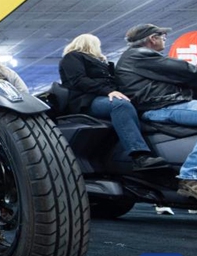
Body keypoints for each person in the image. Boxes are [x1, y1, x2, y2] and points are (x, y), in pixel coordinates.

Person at [115, 24, 197, 200]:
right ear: (152, 38)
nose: (165, 39)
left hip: (167, 104)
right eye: (162, 36)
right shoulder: (140, 56)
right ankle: (190, 176)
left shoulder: (141, 58)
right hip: (160, 108)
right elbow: (185, 70)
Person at [59, 34, 167, 170]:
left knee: (131, 105)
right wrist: (107, 91)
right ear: (88, 44)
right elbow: (79, 80)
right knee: (120, 105)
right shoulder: (73, 57)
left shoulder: (103, 63)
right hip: (87, 100)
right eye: (97, 44)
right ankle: (139, 157)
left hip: (103, 97)